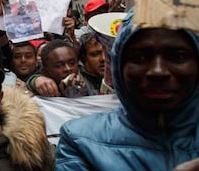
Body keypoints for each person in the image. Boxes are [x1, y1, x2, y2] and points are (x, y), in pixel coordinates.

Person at [55, 9, 199, 170]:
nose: (158, 72)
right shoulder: (79, 142)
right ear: (119, 66)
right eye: (139, 58)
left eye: (177, 57)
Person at [26, 39, 97, 97]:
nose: (68, 68)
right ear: (45, 71)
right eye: (59, 65)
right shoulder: (41, 92)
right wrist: (35, 81)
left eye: (72, 63)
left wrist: (85, 94)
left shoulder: (87, 82)